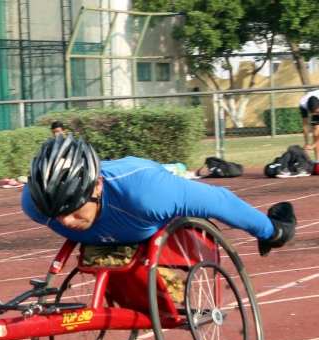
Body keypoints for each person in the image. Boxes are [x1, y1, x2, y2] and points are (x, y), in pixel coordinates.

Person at [21, 135, 295, 258]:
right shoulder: (35, 204)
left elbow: (219, 201)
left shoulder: (147, 193)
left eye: (73, 209)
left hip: (147, 192)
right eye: (57, 213)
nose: (66, 221)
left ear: (96, 187)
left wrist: (271, 231)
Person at [299, 91, 319, 159]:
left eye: (317, 112)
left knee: (317, 134)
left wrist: (313, 145)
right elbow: (305, 125)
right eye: (313, 113)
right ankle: (318, 161)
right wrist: (306, 143)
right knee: (315, 132)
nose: (315, 115)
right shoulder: (303, 104)